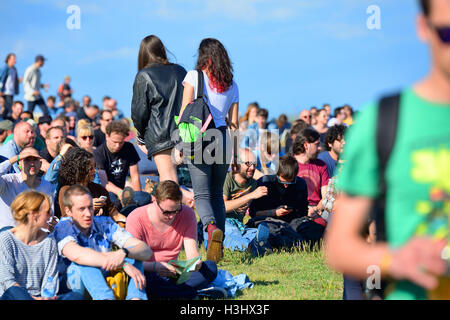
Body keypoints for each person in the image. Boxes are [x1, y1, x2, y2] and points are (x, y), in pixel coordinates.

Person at [325, 0, 450, 300]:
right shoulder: (383, 121)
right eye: (447, 33)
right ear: (424, 28)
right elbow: (340, 246)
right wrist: (395, 259)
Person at [178, 38, 239, 263]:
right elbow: (234, 123)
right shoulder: (232, 84)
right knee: (217, 196)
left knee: (202, 194)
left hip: (199, 138)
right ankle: (219, 249)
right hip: (223, 138)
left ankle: (211, 229)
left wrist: (180, 144)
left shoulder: (194, 76)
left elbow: (185, 111)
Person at [126, 180, 222, 299]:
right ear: (154, 201)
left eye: (176, 211)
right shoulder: (136, 218)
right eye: (166, 212)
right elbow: (132, 262)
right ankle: (191, 294)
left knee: (210, 268)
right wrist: (156, 267)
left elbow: (192, 253)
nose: (171, 216)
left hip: (174, 272)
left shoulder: (187, 214)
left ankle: (172, 293)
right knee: (143, 280)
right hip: (148, 271)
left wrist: (195, 263)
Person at [53, 185, 152, 300]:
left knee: (135, 256)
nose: (88, 214)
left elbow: (145, 251)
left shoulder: (104, 223)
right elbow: (78, 256)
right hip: (71, 286)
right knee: (84, 262)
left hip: (102, 276)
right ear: (68, 211)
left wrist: (124, 252)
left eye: (90, 207)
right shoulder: (64, 227)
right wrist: (124, 264)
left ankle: (135, 298)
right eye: (81, 209)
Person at [131, 35, 194, 206]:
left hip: (160, 135)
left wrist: (141, 137)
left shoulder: (144, 75)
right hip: (184, 132)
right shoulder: (181, 71)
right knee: (178, 180)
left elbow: (139, 113)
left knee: (168, 180)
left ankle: (174, 220)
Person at [0, 190, 83, 300]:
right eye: (48, 211)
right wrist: (31, 298)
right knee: (15, 291)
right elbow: (7, 281)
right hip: (14, 295)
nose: (51, 215)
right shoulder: (6, 238)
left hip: (40, 296)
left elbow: (50, 278)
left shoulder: (49, 241)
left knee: (74, 296)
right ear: (33, 214)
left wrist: (46, 297)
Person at [247, 155, 324, 250]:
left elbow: (302, 212)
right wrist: (274, 212)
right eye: (282, 182)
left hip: (293, 222)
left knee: (314, 230)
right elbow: (253, 213)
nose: (286, 186)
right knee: (271, 231)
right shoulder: (264, 183)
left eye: (290, 183)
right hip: (268, 220)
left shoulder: (300, 184)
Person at [218, 148, 271, 255]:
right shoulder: (226, 179)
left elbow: (268, 179)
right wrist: (251, 196)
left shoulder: (253, 183)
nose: (252, 168)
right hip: (220, 222)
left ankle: (256, 244)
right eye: (248, 164)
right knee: (230, 232)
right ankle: (249, 247)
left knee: (252, 233)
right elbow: (221, 207)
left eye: (254, 164)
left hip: (239, 225)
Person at [94, 120, 151, 210]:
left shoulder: (129, 148)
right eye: (114, 142)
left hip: (124, 191)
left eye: (121, 142)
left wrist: (137, 197)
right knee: (114, 202)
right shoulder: (99, 153)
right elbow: (105, 183)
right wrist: (121, 193)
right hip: (107, 192)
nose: (117, 146)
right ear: (107, 136)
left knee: (145, 198)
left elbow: (135, 176)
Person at [0, 148, 55, 229]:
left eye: (35, 159)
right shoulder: (8, 181)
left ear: (40, 164)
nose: (32, 163)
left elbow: (49, 215)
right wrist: (16, 158)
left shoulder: (47, 185)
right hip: (8, 233)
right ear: (19, 164)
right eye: (27, 159)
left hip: (34, 235)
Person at [292, 128, 329, 220]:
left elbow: (326, 197)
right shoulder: (289, 164)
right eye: (316, 144)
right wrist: (304, 210)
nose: (320, 148)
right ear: (306, 145)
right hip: (295, 210)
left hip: (317, 210)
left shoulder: (321, 165)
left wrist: (316, 210)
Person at [0, 53, 21, 119]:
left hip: (11, 92)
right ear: (9, 59)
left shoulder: (14, 69)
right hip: (5, 92)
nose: (15, 60)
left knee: (7, 109)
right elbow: (1, 79)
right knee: (10, 109)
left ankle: (4, 121)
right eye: (13, 59)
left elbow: (14, 81)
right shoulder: (5, 68)